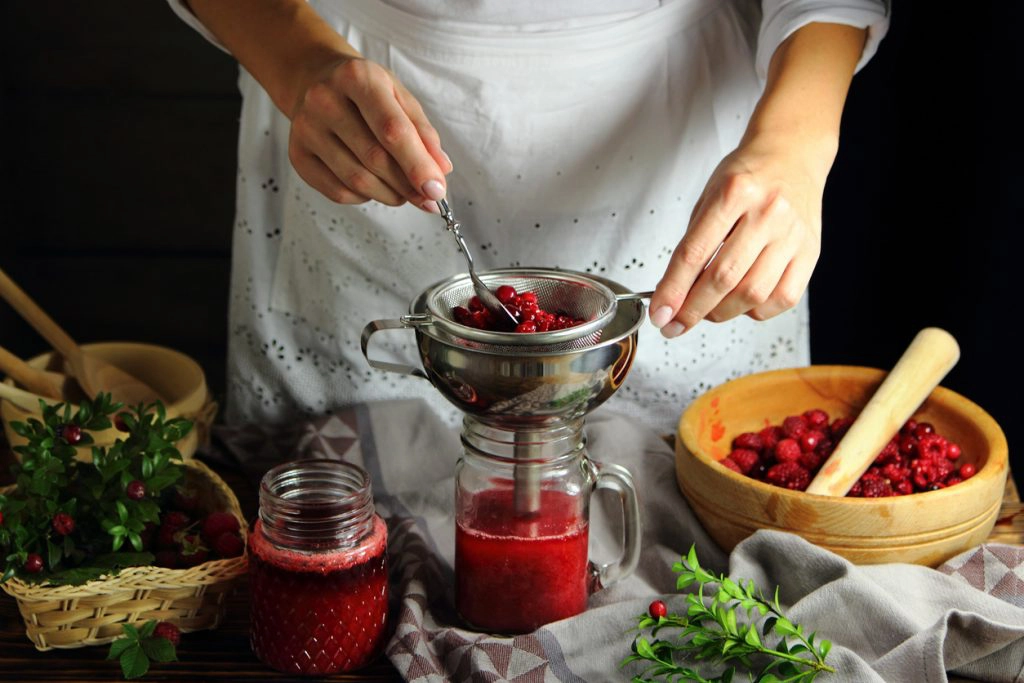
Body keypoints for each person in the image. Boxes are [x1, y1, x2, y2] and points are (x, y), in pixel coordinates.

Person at [167, 0, 889, 430]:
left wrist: (795, 143)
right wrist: (296, 62)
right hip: (356, 104)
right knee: (338, 518)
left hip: (679, 137)